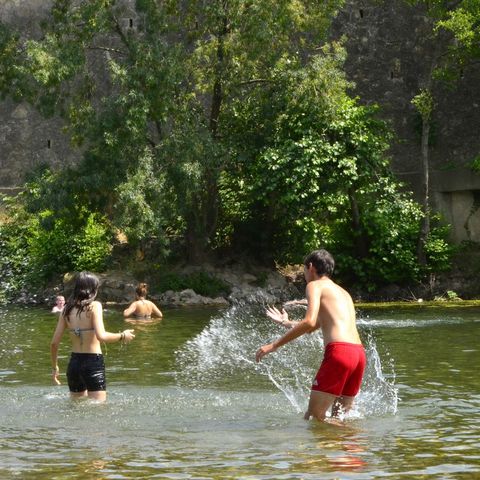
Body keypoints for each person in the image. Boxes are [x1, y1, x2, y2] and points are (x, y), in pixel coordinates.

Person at [256, 249, 366, 422]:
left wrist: (273, 345)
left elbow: (308, 322)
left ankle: (313, 449)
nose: (305, 275)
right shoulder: (342, 292)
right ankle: (356, 447)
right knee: (339, 418)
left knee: (315, 417)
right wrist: (286, 322)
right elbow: (315, 324)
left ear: (311, 267)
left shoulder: (314, 286)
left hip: (340, 353)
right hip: (358, 355)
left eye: (304, 270)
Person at [50, 271, 135, 401]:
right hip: (92, 363)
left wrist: (55, 367)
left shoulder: (66, 310)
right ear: (92, 289)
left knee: (77, 407)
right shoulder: (94, 306)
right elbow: (102, 336)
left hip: (74, 365)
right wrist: (123, 335)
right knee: (98, 411)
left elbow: (54, 343)